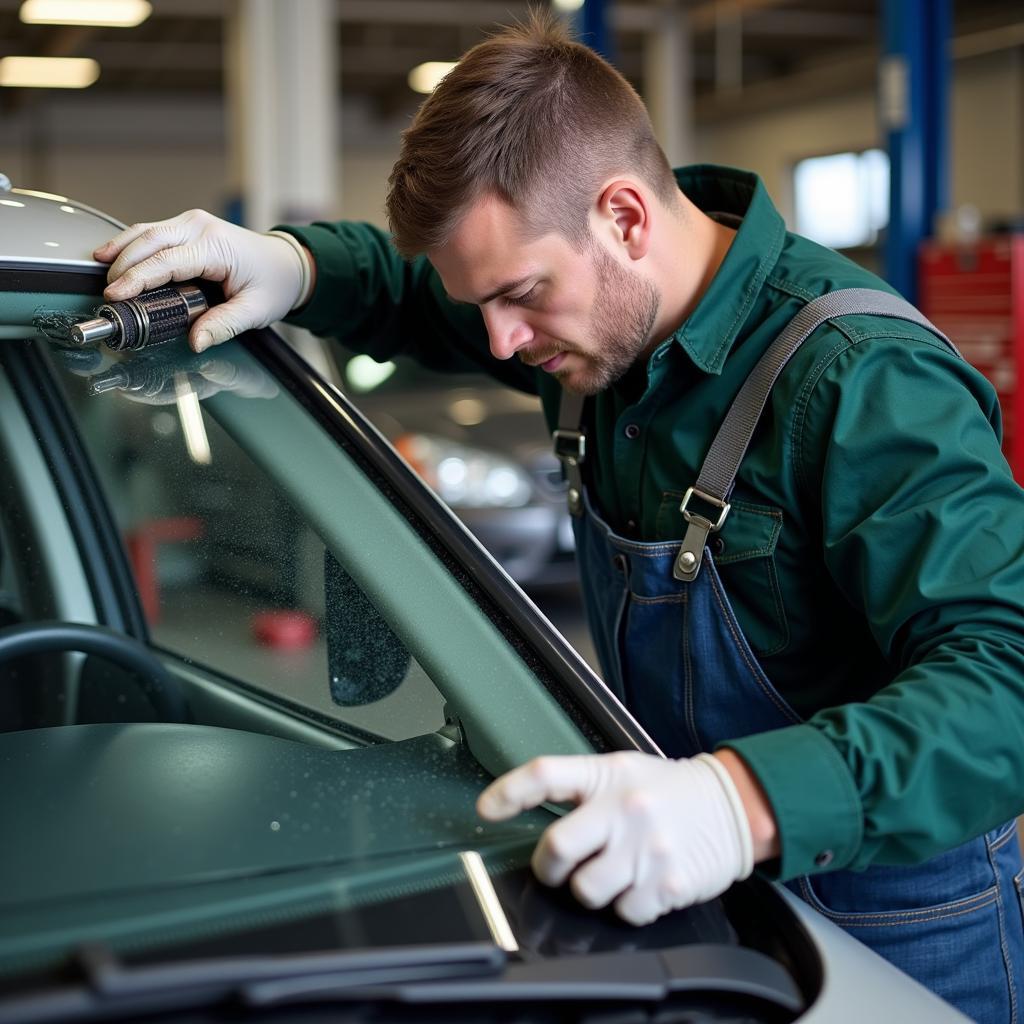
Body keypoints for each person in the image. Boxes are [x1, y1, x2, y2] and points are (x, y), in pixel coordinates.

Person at [94, 13, 1024, 1020]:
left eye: (520, 294)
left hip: (900, 920)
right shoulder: (587, 316)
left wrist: (741, 801)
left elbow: (1005, 673)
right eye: (484, 303)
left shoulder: (862, 379)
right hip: (690, 884)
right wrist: (297, 267)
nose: (499, 338)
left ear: (623, 216)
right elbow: (415, 294)